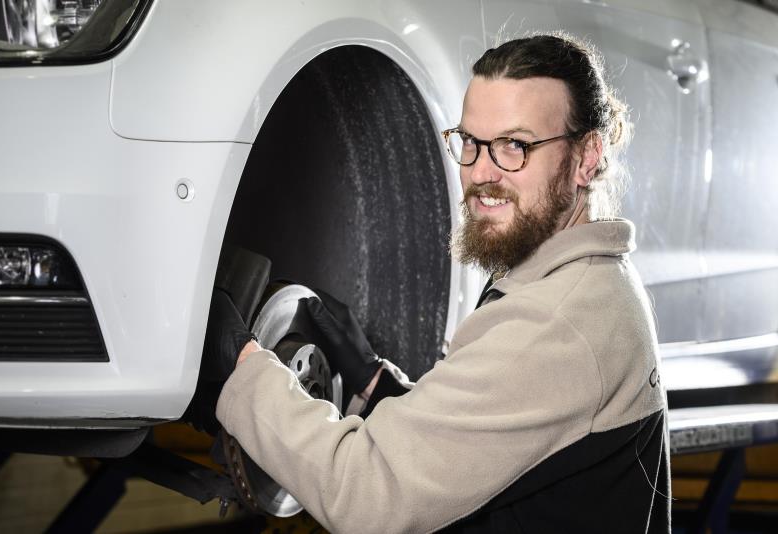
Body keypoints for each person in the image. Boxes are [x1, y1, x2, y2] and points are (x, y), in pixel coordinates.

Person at [207, 32, 670, 533]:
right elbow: (488, 450)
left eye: (515, 145)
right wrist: (375, 386)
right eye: (471, 143)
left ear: (586, 156)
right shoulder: (589, 284)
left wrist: (244, 369)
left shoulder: (558, 322)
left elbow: (367, 495)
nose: (481, 173)